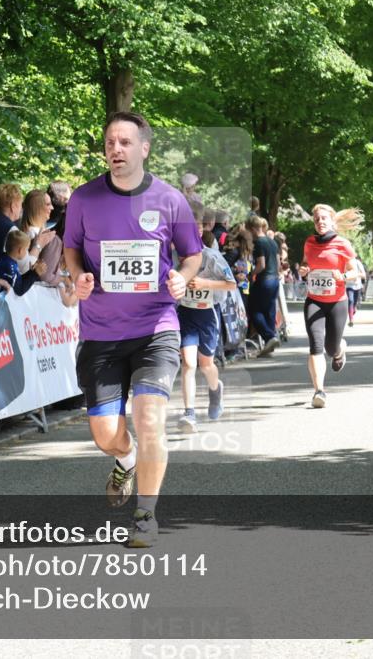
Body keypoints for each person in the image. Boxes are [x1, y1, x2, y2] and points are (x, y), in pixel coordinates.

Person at [63, 111, 203, 548]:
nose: (115, 150)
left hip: (155, 326)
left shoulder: (170, 200)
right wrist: (79, 276)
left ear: (144, 148)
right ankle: (124, 460)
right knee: (108, 436)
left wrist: (182, 276)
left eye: (125, 142)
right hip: (101, 331)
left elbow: (192, 254)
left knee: (149, 422)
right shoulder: (84, 199)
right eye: (109, 143)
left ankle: (146, 515)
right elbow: (70, 250)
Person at [296, 205, 361, 408]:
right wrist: (304, 270)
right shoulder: (309, 242)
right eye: (317, 220)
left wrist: (341, 275)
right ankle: (319, 391)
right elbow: (305, 264)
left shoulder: (343, 244)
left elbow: (355, 272)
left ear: (332, 220)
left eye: (324, 218)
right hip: (314, 300)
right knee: (315, 344)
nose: (320, 222)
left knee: (331, 348)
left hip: (337, 301)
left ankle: (340, 349)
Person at [176, 221, 236, 434]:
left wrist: (205, 284)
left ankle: (215, 389)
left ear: (201, 232)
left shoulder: (212, 257)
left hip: (208, 313)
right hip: (185, 313)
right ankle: (189, 412)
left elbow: (232, 284)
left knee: (205, 364)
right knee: (188, 364)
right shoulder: (176, 255)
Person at [246, 214, 281, 355]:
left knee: (254, 311)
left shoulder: (259, 243)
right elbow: (277, 263)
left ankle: (269, 336)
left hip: (264, 279)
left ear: (253, 229)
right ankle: (270, 342)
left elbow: (261, 265)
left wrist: (250, 274)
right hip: (275, 279)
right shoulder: (272, 242)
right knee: (269, 311)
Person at [18, 189, 60, 282]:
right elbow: (46, 276)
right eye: (48, 204)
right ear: (37, 208)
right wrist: (63, 279)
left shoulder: (21, 233)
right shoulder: (38, 235)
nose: (52, 208)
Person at [0, 229, 46, 296]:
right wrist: (35, 274)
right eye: (26, 249)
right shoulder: (10, 266)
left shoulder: (5, 258)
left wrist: (31, 272)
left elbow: (18, 279)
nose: (27, 252)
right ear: (20, 250)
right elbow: (19, 290)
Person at [345, 251, 367, 327]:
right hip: (348, 286)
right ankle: (351, 320)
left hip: (357, 286)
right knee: (350, 301)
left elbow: (364, 275)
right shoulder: (345, 262)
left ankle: (353, 311)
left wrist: (355, 274)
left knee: (354, 304)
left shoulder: (358, 262)